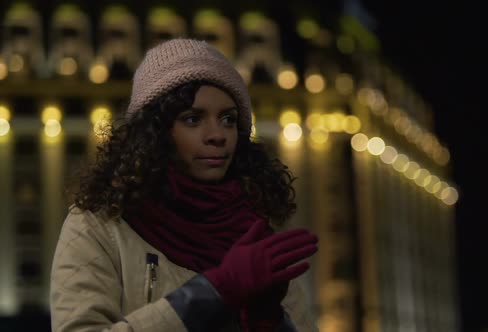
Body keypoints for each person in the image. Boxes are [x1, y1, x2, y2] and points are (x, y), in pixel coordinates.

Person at [50, 38, 319, 332]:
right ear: (156, 133)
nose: (217, 135)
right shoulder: (98, 226)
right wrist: (211, 293)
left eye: (228, 119)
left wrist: (270, 322)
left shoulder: (258, 235)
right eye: (193, 119)